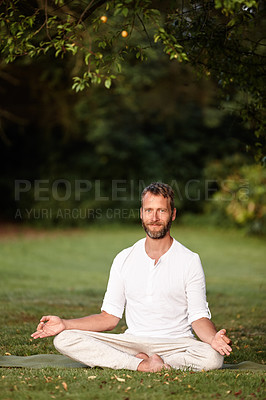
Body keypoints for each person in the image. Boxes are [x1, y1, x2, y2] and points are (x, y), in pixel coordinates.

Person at [31, 182, 232, 372]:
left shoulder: (190, 260)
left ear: (172, 215)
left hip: (176, 344)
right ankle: (143, 364)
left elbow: (198, 317)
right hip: (133, 342)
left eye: (161, 210)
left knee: (212, 357)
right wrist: (65, 324)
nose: (154, 217)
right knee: (64, 339)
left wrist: (213, 338)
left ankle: (148, 362)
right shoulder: (124, 258)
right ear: (141, 214)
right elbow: (109, 318)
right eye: (149, 210)